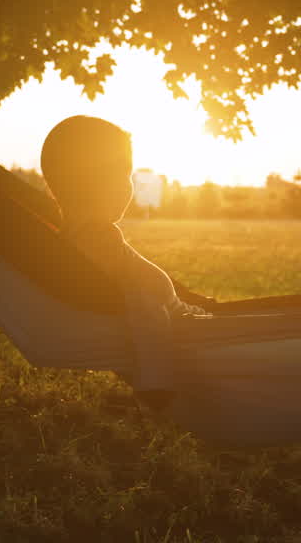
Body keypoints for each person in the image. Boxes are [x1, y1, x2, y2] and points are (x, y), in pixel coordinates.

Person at [40, 115, 211, 409]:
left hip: (186, 314)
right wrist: (155, 381)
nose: (128, 186)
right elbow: (143, 305)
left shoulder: (67, 238)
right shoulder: (99, 241)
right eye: (122, 173)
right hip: (187, 327)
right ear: (90, 180)